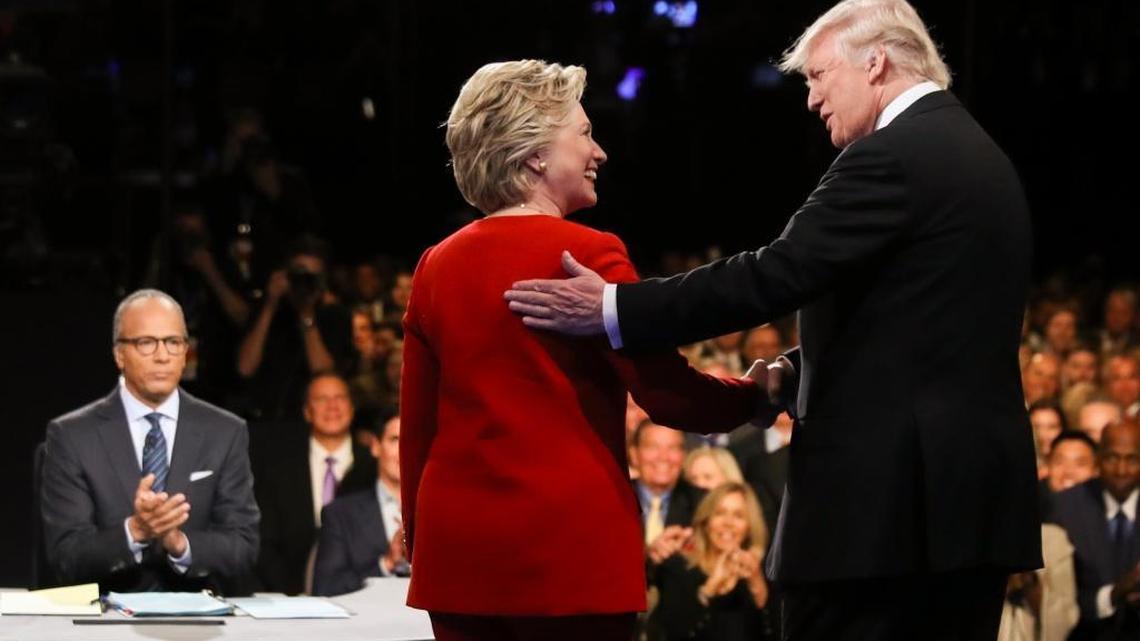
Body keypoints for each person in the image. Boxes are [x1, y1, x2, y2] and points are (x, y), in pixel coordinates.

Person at [502, 1, 1042, 638]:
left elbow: (773, 274)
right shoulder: (977, 153)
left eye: (817, 76)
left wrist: (615, 306)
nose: (811, 99)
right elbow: (919, 326)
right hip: (963, 516)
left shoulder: (894, 156)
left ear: (875, 63)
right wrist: (796, 370)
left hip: (885, 525)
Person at [400, 59, 769, 641]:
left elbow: (418, 428)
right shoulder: (591, 254)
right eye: (585, 133)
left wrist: (422, 539)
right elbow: (667, 395)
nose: (600, 152)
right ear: (536, 155)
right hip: (569, 550)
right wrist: (754, 398)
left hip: (458, 553)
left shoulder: (434, 265)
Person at [40, 289, 259, 593]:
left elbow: (243, 546)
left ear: (186, 352)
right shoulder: (73, 436)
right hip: (106, 626)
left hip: (199, 622)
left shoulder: (225, 432)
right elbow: (66, 556)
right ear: (119, 354)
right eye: (146, 343)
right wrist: (137, 530)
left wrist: (178, 542)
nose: (162, 355)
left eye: (173, 342)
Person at [253, 371, 375, 594]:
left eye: (340, 398)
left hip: (360, 594)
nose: (332, 406)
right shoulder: (277, 470)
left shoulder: (373, 467)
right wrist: (294, 594)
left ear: (352, 408)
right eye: (321, 399)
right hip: (288, 597)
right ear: (307, 412)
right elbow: (264, 542)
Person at [1048, 420, 1140, 640]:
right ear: (1098, 459)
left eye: (1133, 460)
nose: (1121, 470)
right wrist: (1115, 593)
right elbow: (1056, 598)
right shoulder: (1066, 508)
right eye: (1111, 458)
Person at [650, 482, 776, 641]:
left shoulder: (764, 574)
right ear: (706, 521)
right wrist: (709, 589)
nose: (728, 523)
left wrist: (757, 586)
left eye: (738, 515)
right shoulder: (677, 569)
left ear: (750, 526)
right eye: (720, 513)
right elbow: (676, 633)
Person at [312, 414, 407, 596]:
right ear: (376, 446)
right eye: (395, 439)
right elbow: (326, 587)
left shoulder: (443, 513)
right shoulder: (340, 514)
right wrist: (387, 563)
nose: (404, 449)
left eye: (412, 440)